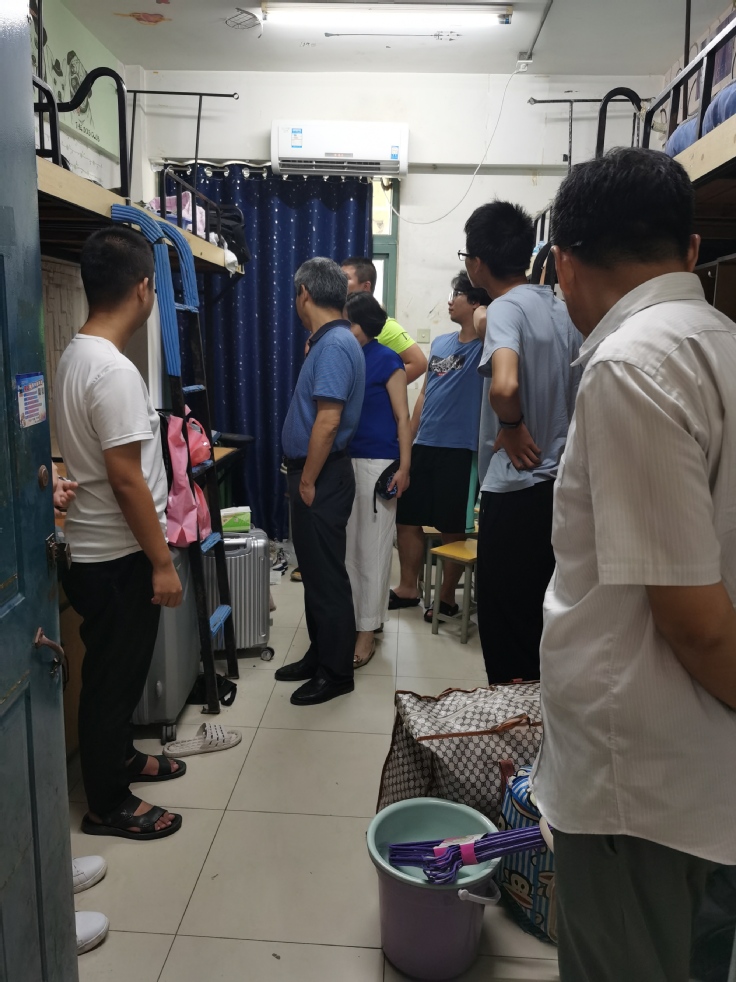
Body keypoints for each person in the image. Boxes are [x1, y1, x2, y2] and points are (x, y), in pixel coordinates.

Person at [531, 146, 736, 982]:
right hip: (701, 775)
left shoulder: (630, 367)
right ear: (691, 250)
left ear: (565, 265)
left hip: (640, 785)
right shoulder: (722, 343)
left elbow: (693, 621)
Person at [56, 226, 185, 841]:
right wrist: (161, 562)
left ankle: (121, 758)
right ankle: (107, 803)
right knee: (113, 679)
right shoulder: (114, 371)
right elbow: (127, 479)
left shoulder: (77, 354)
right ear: (142, 288)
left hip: (96, 548)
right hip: (117, 555)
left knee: (116, 671)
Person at [463, 201, 581, 683]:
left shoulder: (505, 309)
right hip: (562, 491)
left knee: (506, 630)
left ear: (477, 263)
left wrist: (510, 426)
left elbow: (505, 385)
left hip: (516, 489)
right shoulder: (563, 307)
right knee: (543, 627)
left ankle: (515, 726)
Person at [277, 257, 366, 705]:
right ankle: (320, 656)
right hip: (318, 473)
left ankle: (336, 673)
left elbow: (328, 422)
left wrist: (308, 480)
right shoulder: (330, 341)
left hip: (321, 475)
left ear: (305, 294)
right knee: (314, 574)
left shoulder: (333, 345)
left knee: (326, 577)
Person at [389, 272, 489, 621]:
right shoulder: (442, 343)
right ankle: (408, 588)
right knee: (407, 518)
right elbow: (425, 395)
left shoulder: (487, 343)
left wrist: (482, 308)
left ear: (475, 302)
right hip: (425, 444)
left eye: (457, 294)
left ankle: (446, 598)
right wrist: (409, 438)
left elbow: (491, 321)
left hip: (460, 449)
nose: (449, 300)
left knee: (452, 527)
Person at [344, 292, 411, 668]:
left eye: (350, 322)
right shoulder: (347, 357)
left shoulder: (388, 359)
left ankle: (366, 632)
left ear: (365, 325)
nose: (345, 328)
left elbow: (403, 418)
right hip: (347, 461)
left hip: (378, 463)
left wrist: (405, 468)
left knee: (373, 549)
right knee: (351, 549)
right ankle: (361, 619)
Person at [342, 256, 428, 383]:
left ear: (366, 286)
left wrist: (382, 386)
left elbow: (419, 363)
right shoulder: (337, 320)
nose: (339, 283)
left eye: (345, 279)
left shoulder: (387, 326)